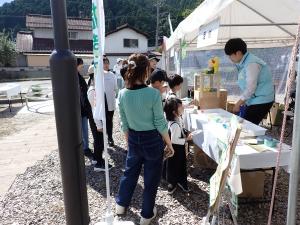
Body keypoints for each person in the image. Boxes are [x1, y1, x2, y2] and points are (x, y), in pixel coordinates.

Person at [115, 53, 174, 225]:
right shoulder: (153, 94)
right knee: (151, 178)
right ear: (145, 71)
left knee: (129, 173)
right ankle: (146, 215)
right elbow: (160, 123)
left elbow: (124, 123)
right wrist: (169, 144)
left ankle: (121, 204)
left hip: (133, 137)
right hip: (152, 140)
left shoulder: (122, 94)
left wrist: (129, 141)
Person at [224, 38, 274, 125]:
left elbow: (251, 87)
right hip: (255, 99)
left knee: (247, 127)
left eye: (230, 55)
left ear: (238, 53)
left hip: (261, 100)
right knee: (246, 125)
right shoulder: (244, 61)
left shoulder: (251, 63)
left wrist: (238, 103)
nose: (229, 58)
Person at [163, 98, 192, 193]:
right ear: (174, 112)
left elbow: (181, 129)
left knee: (178, 166)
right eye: (180, 106)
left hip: (177, 149)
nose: (183, 107)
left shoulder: (176, 119)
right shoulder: (174, 124)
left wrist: (186, 132)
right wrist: (187, 139)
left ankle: (179, 181)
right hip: (175, 149)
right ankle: (173, 183)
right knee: (174, 166)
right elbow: (174, 140)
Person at [87, 65, 113, 171]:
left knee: (99, 140)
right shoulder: (93, 90)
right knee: (99, 141)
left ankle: (96, 158)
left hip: (99, 120)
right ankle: (98, 163)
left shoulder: (97, 88)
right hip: (97, 120)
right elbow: (95, 109)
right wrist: (99, 125)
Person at [77, 58, 93, 157]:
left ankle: (85, 146)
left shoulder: (77, 75)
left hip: (81, 107)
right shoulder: (76, 76)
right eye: (81, 65)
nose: (82, 67)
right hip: (82, 107)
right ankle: (85, 148)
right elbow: (82, 93)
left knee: (83, 129)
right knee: (84, 129)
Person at [103, 57, 118, 147]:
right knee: (102, 121)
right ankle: (103, 139)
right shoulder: (98, 75)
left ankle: (110, 138)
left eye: (107, 63)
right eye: (104, 63)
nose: (106, 65)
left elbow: (115, 88)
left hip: (111, 102)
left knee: (109, 121)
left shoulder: (112, 75)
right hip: (102, 103)